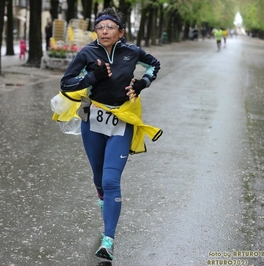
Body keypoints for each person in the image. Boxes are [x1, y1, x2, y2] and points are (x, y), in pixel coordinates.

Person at [59, 7, 162, 261]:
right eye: (100, 27)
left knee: (111, 180)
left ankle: (108, 240)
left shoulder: (132, 52)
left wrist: (142, 83)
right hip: (92, 120)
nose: (104, 31)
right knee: (98, 177)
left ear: (121, 31)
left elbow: (154, 64)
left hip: (122, 121)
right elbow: (66, 84)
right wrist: (91, 78)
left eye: (110, 27)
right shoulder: (87, 53)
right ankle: (102, 196)